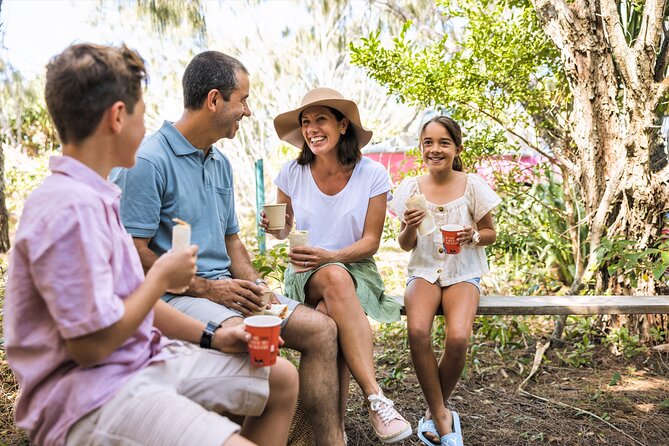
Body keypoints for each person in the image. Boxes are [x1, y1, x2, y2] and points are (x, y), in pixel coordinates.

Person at [3, 43, 298, 446]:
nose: (148, 130)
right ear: (118, 118)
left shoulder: (97, 197)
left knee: (280, 378)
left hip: (141, 359)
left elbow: (130, 303)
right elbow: (90, 347)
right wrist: (161, 277)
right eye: (143, 114)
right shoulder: (67, 208)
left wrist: (213, 336)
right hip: (89, 394)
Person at [110, 52, 344, 445]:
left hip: (228, 291)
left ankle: (325, 442)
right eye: (243, 99)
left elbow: (232, 239)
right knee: (253, 344)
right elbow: (133, 252)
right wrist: (208, 288)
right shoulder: (148, 162)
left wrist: (255, 285)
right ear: (215, 99)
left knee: (321, 330)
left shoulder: (219, 162)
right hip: (178, 298)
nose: (248, 111)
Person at [262, 87, 412, 444]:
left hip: (356, 269)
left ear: (343, 125)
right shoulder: (291, 173)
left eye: (321, 120)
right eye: (306, 122)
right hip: (304, 272)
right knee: (331, 279)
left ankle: (334, 431)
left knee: (332, 311)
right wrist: (276, 227)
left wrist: (330, 256)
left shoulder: (372, 174)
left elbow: (370, 243)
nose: (312, 128)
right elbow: (285, 231)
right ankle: (376, 398)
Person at [388, 115, 502, 446]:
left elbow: (491, 233)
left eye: (443, 143)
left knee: (459, 338)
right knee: (418, 331)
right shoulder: (409, 188)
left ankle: (430, 413)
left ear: (456, 149)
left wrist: (474, 235)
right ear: (421, 148)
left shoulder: (472, 185)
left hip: (462, 272)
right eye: (428, 142)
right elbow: (405, 243)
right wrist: (409, 225)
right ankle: (442, 417)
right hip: (424, 271)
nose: (435, 149)